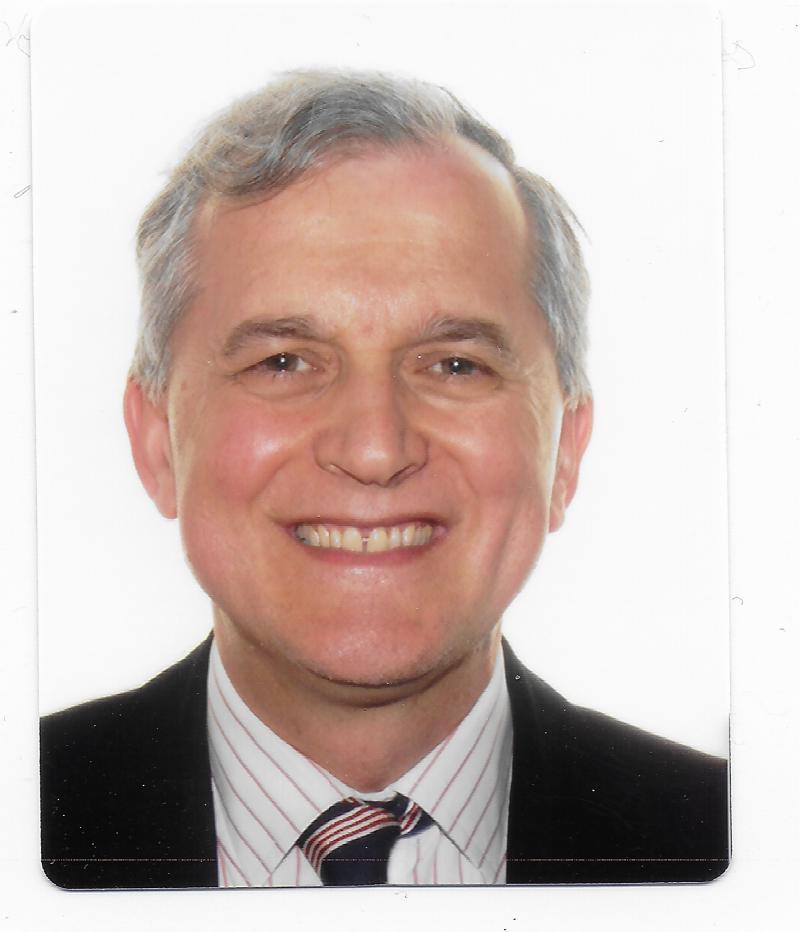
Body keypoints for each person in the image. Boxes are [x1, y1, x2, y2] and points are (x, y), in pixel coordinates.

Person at [40, 70, 728, 889]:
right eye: (284, 362)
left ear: (566, 451)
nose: (374, 449)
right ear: (156, 440)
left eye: (455, 364)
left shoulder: (731, 845)